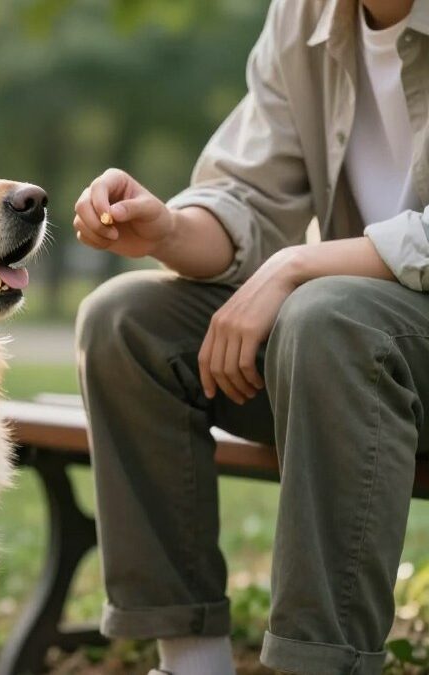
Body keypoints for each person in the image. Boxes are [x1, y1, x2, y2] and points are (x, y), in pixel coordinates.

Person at [73, 0, 429, 672]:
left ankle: (320, 662)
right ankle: (192, 661)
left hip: (354, 338)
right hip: (347, 354)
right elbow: (249, 193)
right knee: (125, 321)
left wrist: (297, 264)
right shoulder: (305, 17)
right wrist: (167, 230)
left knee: (325, 314)